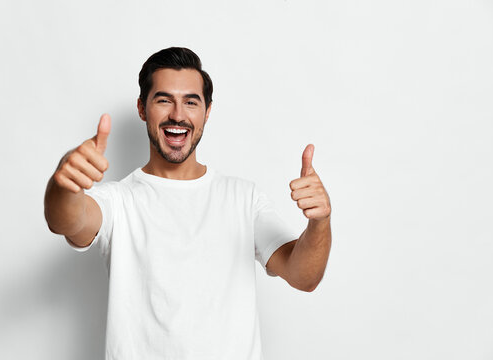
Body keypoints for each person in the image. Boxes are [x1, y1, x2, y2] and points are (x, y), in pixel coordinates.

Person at [44, 47, 332, 360]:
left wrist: (319, 222)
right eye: (164, 99)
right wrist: (64, 184)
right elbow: (66, 220)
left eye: (191, 102)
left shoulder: (243, 199)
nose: (178, 115)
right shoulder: (118, 201)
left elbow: (304, 276)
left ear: (207, 111)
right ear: (142, 108)